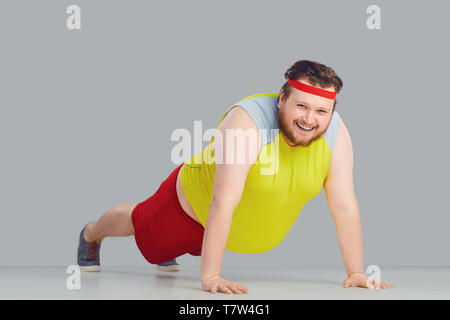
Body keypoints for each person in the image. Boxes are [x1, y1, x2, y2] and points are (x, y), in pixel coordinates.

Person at [77, 60, 393, 294]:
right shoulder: (246, 123)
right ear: (281, 98)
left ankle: (171, 249)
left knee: (167, 253)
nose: (310, 119)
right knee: (138, 222)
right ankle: (91, 234)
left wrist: (355, 272)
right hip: (190, 211)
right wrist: (211, 276)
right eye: (301, 106)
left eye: (322, 112)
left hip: (229, 228)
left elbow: (344, 206)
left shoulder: (336, 135)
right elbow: (222, 201)